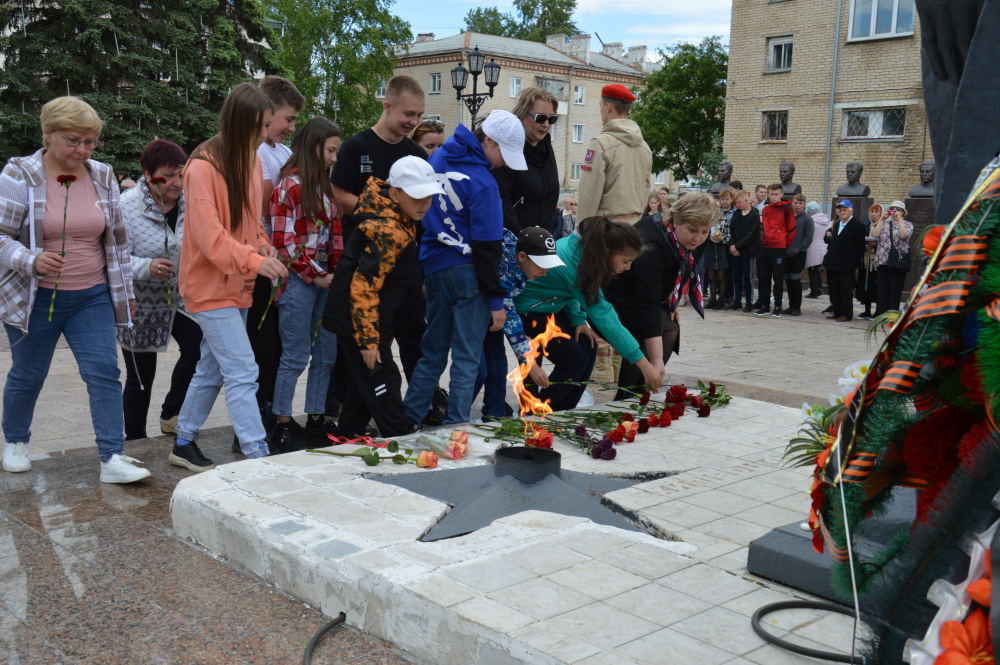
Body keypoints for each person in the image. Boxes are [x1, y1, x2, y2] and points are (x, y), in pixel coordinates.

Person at [0, 96, 150, 482]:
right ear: (48, 135)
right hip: (36, 297)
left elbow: (116, 241)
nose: (83, 150)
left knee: (104, 372)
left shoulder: (102, 175)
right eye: (73, 140)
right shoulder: (19, 175)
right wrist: (30, 259)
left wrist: (124, 290)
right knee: (28, 373)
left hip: (92, 295)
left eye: (90, 141)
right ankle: (15, 442)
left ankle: (111, 458)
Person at [174, 82, 287, 462]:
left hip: (237, 283)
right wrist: (256, 260)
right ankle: (257, 454)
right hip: (208, 287)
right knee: (242, 370)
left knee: (212, 368)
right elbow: (209, 238)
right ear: (241, 123)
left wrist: (263, 244)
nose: (266, 135)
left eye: (268, 125)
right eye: (262, 126)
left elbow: (250, 223)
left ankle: (183, 441)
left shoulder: (251, 159)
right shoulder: (202, 167)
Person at [402, 111, 526, 427]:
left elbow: (420, 215)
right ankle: (455, 427)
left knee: (432, 353)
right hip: (470, 272)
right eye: (503, 154)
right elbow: (488, 248)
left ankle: (406, 421)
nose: (504, 163)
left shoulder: (438, 158)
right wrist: (496, 301)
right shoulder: (484, 182)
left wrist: (427, 270)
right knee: (467, 358)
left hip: (435, 266)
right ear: (488, 140)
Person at [323, 157, 444, 437]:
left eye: (429, 196)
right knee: (384, 383)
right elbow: (364, 288)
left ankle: (345, 438)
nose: (424, 204)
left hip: (370, 320)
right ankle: (400, 440)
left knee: (362, 388)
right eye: (417, 197)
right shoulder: (386, 228)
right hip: (359, 323)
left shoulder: (398, 216)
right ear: (395, 194)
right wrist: (369, 341)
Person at [331, 75, 429, 390]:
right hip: (365, 260)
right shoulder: (356, 146)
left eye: (419, 115)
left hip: (404, 262)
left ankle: (420, 401)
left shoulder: (417, 155)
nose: (413, 122)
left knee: (413, 333)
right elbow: (338, 195)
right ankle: (347, 400)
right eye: (408, 114)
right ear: (387, 106)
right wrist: (384, 214)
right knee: (363, 337)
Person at [515, 216, 665, 411]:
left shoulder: (583, 252)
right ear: (608, 251)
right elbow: (605, 317)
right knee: (574, 360)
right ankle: (538, 410)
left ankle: (563, 410)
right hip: (529, 311)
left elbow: (566, 289)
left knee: (588, 345)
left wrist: (578, 319)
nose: (628, 268)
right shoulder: (575, 262)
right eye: (626, 261)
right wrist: (644, 365)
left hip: (550, 306)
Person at [118, 139, 203, 442]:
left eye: (181, 174)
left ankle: (171, 414)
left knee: (199, 348)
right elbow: (114, 258)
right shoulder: (127, 206)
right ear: (148, 173)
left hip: (180, 297)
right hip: (139, 302)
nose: (177, 182)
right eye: (168, 175)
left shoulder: (190, 202)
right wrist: (147, 266)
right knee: (142, 377)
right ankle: (136, 441)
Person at [268, 117, 344, 452]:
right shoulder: (290, 186)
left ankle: (316, 420)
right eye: (330, 150)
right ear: (313, 146)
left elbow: (333, 238)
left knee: (326, 353)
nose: (333, 158)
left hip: (325, 279)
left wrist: (333, 274)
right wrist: (317, 274)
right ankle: (282, 426)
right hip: (299, 281)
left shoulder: (322, 187)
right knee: (295, 355)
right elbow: (284, 244)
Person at [605, 193, 716, 399]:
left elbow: (684, 267)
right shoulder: (652, 243)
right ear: (677, 220)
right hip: (619, 292)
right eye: (693, 230)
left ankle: (641, 391)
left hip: (648, 290)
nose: (698, 238)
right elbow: (647, 306)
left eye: (705, 231)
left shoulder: (693, 239)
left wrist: (670, 297)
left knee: (670, 329)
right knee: (641, 336)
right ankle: (625, 397)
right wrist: (655, 362)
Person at [247, 75, 305, 445]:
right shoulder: (256, 154)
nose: (291, 128)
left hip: (282, 261)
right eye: (288, 119)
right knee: (261, 346)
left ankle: (272, 410)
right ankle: (254, 418)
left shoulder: (282, 153)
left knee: (280, 344)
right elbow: (265, 204)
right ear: (267, 112)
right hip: (258, 259)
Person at [472, 227, 564, 421]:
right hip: (473, 317)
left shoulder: (520, 263)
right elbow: (510, 317)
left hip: (492, 321)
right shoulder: (504, 267)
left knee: (498, 367)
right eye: (542, 265)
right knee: (477, 370)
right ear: (522, 256)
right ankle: (455, 417)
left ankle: (494, 416)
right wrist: (530, 363)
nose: (545, 272)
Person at [576, 84, 652, 224]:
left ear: (608, 107)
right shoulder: (645, 147)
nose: (600, 111)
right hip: (634, 227)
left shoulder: (600, 143)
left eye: (600, 106)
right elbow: (646, 189)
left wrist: (582, 228)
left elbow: (590, 192)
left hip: (605, 227)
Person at [494, 87, 561, 235]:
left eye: (552, 119)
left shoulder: (546, 147)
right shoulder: (505, 151)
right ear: (522, 115)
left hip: (543, 239)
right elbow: (502, 204)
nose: (546, 124)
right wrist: (522, 239)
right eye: (540, 118)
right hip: (514, 240)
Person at [754, 184, 795, 318]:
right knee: (764, 278)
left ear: (781, 194)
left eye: (776, 194)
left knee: (777, 279)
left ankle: (777, 307)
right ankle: (765, 306)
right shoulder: (766, 209)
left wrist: (783, 244)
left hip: (778, 247)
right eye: (771, 194)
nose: (773, 197)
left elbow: (791, 230)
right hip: (765, 246)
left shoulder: (787, 209)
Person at [823, 200, 866, 322]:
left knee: (845, 289)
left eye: (845, 210)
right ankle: (837, 311)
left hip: (847, 263)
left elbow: (859, 247)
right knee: (834, 288)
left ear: (851, 211)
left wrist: (854, 263)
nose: (842, 212)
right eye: (840, 210)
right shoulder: (837, 224)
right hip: (833, 262)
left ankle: (846, 314)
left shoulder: (858, 226)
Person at [872, 200, 914, 316]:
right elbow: (875, 234)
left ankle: (892, 315)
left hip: (897, 262)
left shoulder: (907, 224)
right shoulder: (885, 223)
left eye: (897, 209)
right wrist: (882, 220)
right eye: (892, 208)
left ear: (903, 212)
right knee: (882, 290)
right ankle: (881, 314)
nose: (894, 211)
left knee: (895, 290)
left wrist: (899, 220)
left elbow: (904, 235)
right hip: (883, 261)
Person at [782, 194, 814, 316]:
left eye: (800, 203)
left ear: (804, 204)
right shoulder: (787, 216)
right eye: (796, 203)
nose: (797, 205)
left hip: (798, 255)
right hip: (785, 253)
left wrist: (798, 249)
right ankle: (791, 305)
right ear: (792, 203)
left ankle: (797, 307)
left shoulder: (807, 219)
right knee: (788, 281)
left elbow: (808, 238)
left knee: (795, 281)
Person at [728, 190, 760, 312]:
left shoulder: (754, 213)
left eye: (739, 202)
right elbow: (731, 230)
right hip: (735, 250)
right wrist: (732, 245)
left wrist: (737, 246)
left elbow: (752, 233)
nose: (738, 205)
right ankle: (737, 301)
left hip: (747, 250)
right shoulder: (737, 213)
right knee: (736, 276)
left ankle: (748, 302)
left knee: (747, 277)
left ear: (746, 200)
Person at [704, 189, 731, 309]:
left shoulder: (724, 220)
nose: (717, 209)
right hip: (710, 248)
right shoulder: (707, 220)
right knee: (711, 277)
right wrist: (707, 235)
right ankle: (713, 300)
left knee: (721, 277)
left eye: (719, 207)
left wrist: (721, 238)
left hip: (720, 248)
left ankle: (721, 300)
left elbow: (728, 236)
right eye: (715, 207)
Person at [855, 204, 882, 320]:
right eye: (872, 212)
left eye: (876, 212)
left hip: (877, 262)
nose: (874, 214)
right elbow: (859, 239)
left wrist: (874, 245)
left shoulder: (883, 225)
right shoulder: (866, 225)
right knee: (865, 284)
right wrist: (865, 246)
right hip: (865, 260)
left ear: (880, 214)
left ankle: (878, 311)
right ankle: (867, 310)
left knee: (875, 286)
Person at [804, 201, 829, 298]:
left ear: (808, 211)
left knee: (812, 270)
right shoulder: (824, 219)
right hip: (823, 247)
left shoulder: (811, 221)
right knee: (816, 269)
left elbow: (809, 235)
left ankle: (814, 292)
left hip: (814, 247)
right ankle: (819, 288)